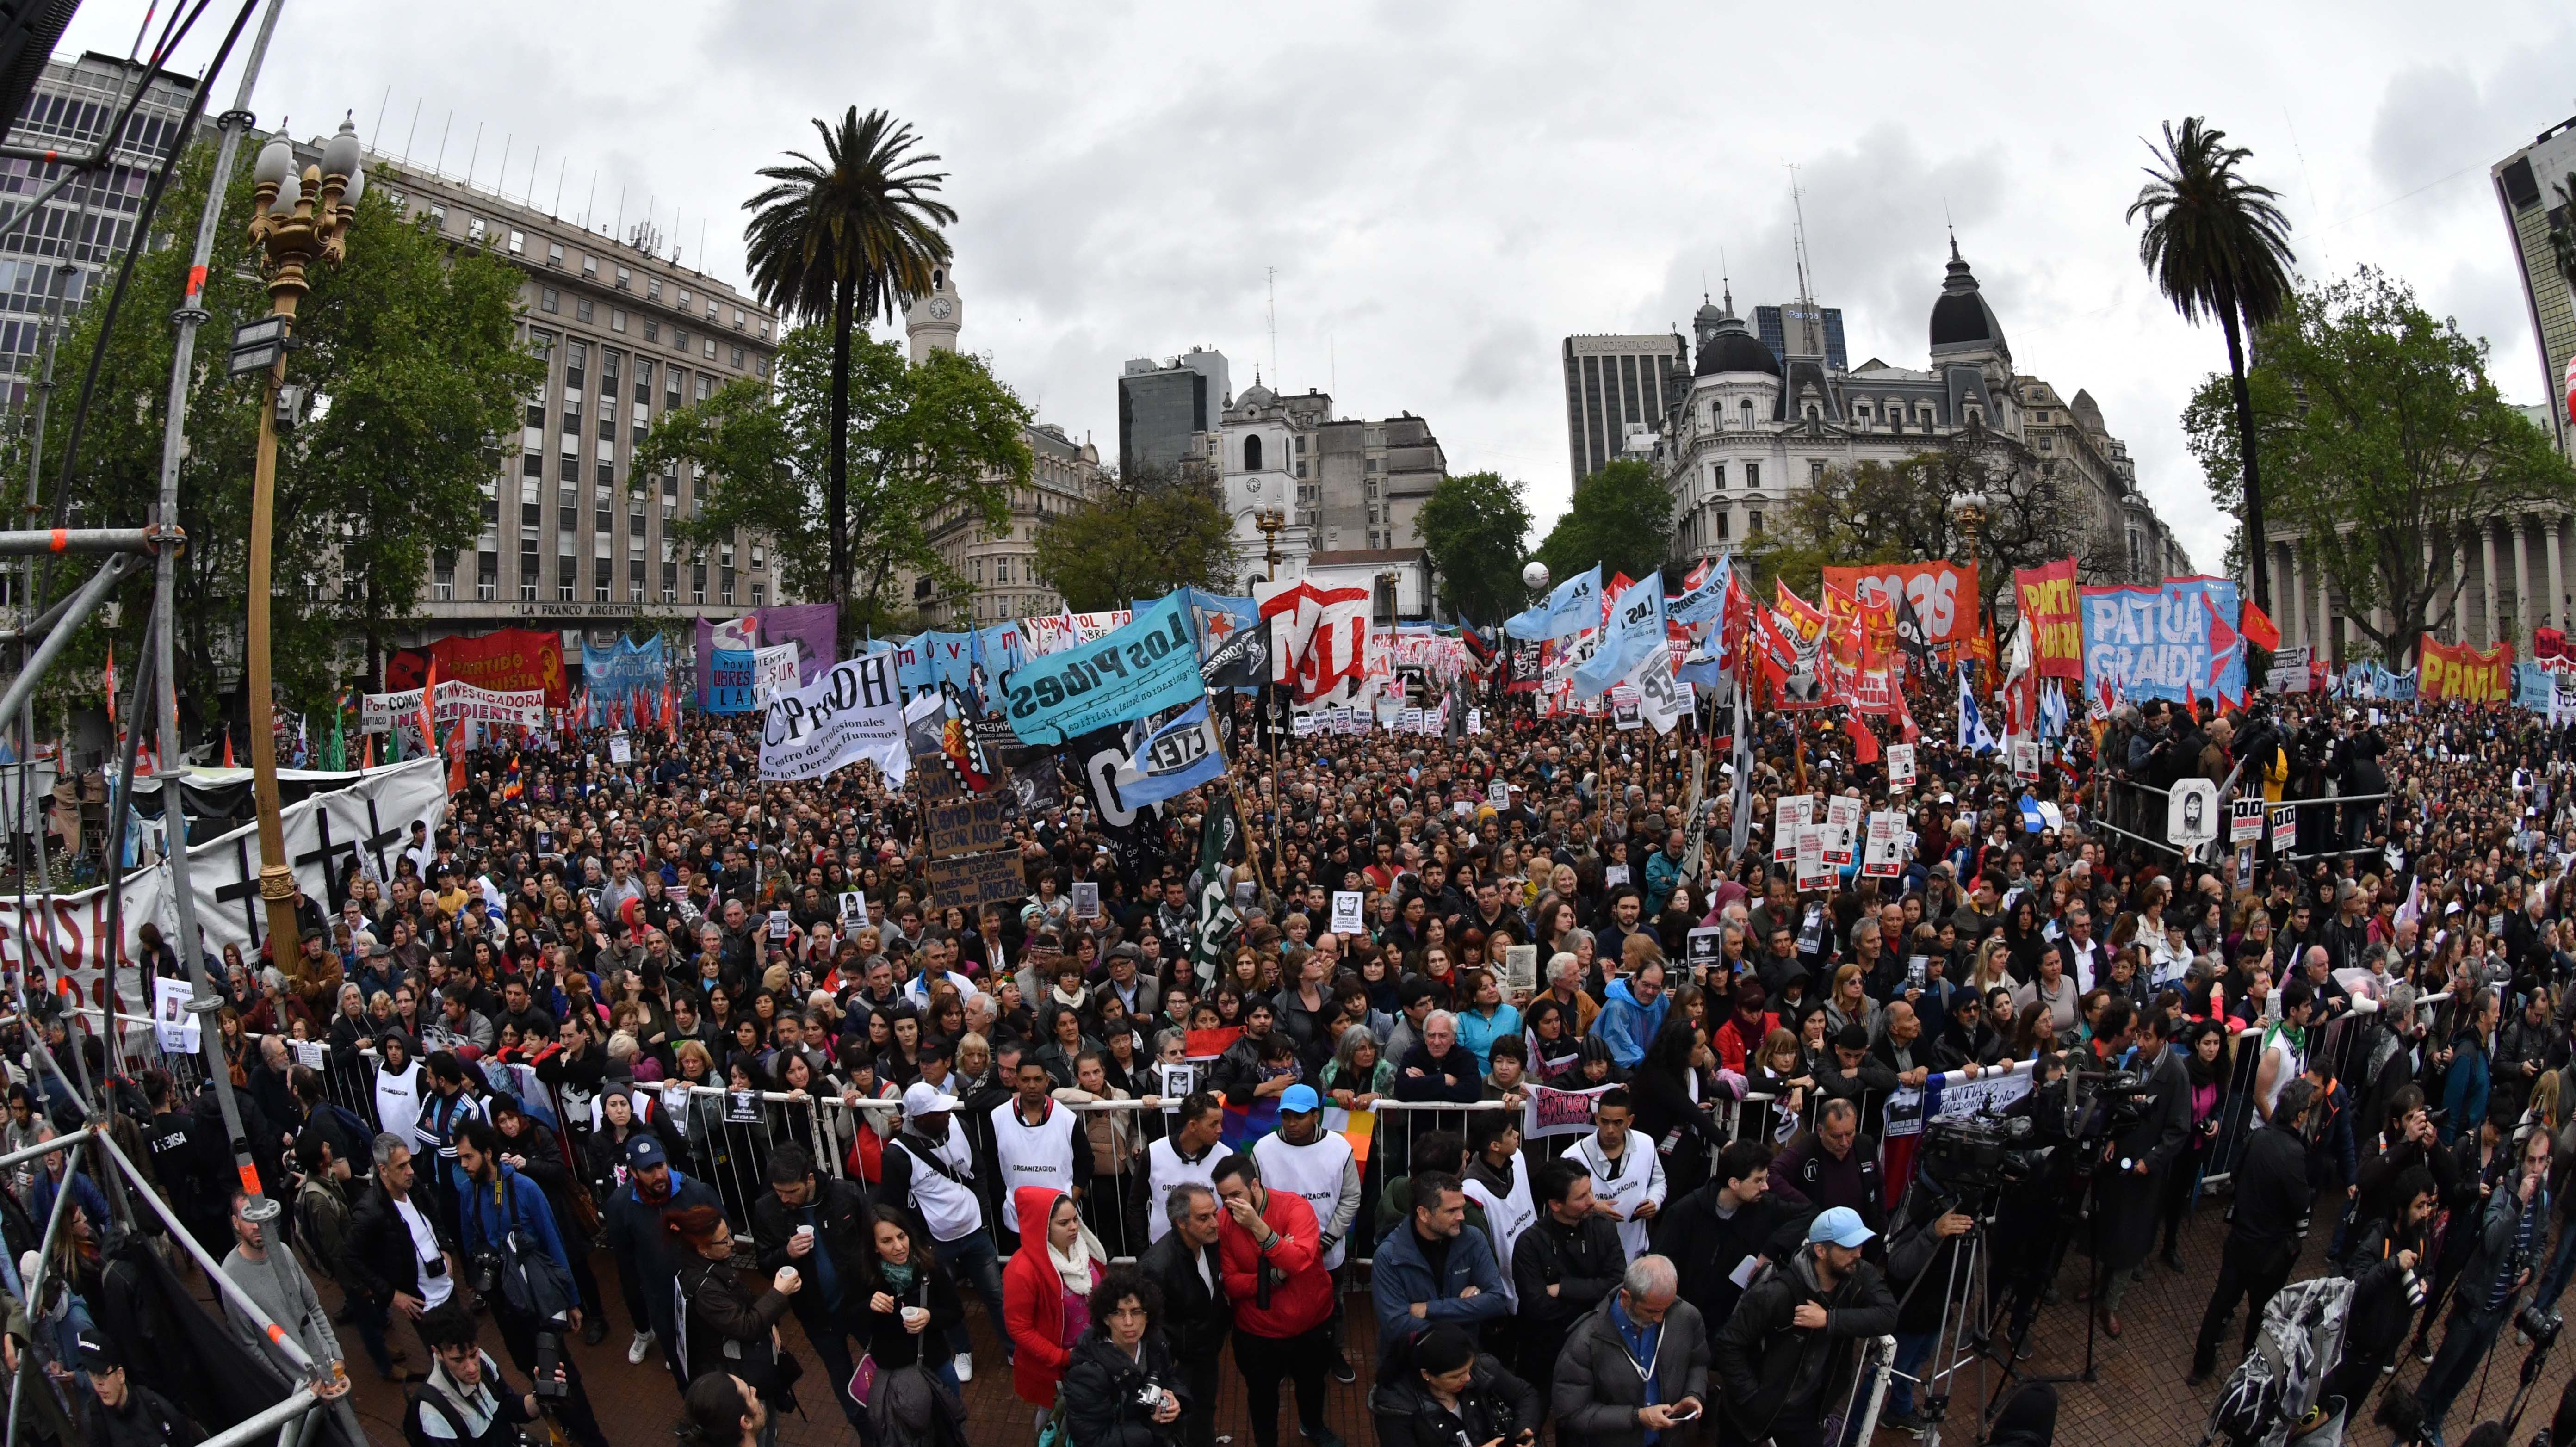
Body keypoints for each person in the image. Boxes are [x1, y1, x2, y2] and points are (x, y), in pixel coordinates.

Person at [452, 1119, 611, 1447]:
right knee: (532, 1372)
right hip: (505, 1307)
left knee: (562, 1376)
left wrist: (571, 1301)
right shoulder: (468, 1192)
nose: (463, 1165)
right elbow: (470, 1246)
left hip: (539, 1303)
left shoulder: (526, 1189)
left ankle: (592, 1438)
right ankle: (567, 1426)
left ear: (488, 1153)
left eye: (468, 1157)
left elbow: (554, 1244)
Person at [1709, 1208, 1895, 1447]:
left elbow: (1888, 1316)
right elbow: (1728, 1343)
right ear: (1821, 1251)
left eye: (1859, 1246)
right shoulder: (1775, 1292)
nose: (1858, 1254)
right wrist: (1751, 1397)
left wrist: (1829, 1320)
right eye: (1848, 1248)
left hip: (1805, 1411)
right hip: (1753, 1408)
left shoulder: (1858, 1275)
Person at [2418, 1124, 2553, 1441]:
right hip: (2475, 1302)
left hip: (2497, 1312)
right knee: (2443, 1368)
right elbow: (2491, 1241)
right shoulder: (2505, 1193)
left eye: (2542, 1161)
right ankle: (2415, 1420)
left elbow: (2540, 1243)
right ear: (2523, 1160)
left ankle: (2435, 1420)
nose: (2536, 1168)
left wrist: (2530, 1272)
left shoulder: (2544, 1201)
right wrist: (2517, 1203)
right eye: (2532, 1160)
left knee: (2462, 1374)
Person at [877, 1078, 1010, 1382]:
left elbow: (979, 1170)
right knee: (947, 1303)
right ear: (921, 1119)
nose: (947, 1114)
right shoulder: (897, 1155)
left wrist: (981, 1214)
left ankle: (1012, 1346)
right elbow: (894, 1209)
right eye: (939, 1113)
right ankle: (962, 1351)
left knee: (995, 1294)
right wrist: (922, 1244)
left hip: (977, 1234)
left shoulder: (960, 1125)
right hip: (937, 1245)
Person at [2189, 1078, 2317, 1385]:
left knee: (2222, 1302)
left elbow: (2236, 1175)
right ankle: (2247, 1371)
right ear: (2299, 1116)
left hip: (2241, 1240)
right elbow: (2301, 1206)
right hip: (2269, 1251)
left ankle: (2201, 1364)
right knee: (2259, 1314)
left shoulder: (2258, 1137)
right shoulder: (2294, 1153)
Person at [1210, 1150, 1339, 1447]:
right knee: (1262, 1396)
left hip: (1311, 1324)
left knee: (1312, 1385)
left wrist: (1260, 1228)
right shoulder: (1224, 1223)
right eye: (1224, 1197)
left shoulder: (1295, 1208)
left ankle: (1313, 1426)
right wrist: (1274, 1276)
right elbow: (1232, 1283)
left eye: (1236, 1195)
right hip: (1258, 1333)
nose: (1231, 1205)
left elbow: (1300, 1261)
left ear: (1254, 1185)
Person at [217, 1187, 364, 1447]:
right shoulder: (231, 1275)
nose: (256, 1226)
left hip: (331, 1375)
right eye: (247, 1217)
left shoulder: (283, 1251)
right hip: (303, 1398)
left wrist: (336, 1354)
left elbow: (313, 1306)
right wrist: (294, 1391)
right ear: (235, 1222)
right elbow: (251, 1347)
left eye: (259, 1217)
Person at [748, 1143, 873, 1433]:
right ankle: (865, 1430)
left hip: (861, 1305)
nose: (784, 1198)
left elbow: (874, 1237)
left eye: (791, 1192)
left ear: (810, 1179)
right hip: (817, 1316)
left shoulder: (846, 1195)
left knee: (883, 1359)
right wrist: (786, 1254)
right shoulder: (767, 1209)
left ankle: (892, 1414)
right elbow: (765, 1264)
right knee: (840, 1374)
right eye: (779, 1191)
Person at [1250, 1083, 1360, 1378]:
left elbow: (1351, 1198)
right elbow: (1253, 1198)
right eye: (1286, 1116)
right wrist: (1276, 1243)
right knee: (1283, 1306)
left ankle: (1333, 1354)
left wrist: (1327, 1239)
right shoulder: (1263, 1149)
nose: (1291, 1123)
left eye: (1298, 1117)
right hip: (1279, 1251)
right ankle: (1286, 1360)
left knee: (1332, 1304)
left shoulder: (1340, 1148)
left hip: (1328, 1250)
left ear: (1316, 1115)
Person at [665, 1204, 800, 1442]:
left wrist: (769, 1323)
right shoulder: (705, 1289)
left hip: (744, 1365)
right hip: (736, 1371)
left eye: (728, 1234)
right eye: (723, 1240)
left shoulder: (708, 1266)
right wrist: (778, 1294)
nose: (731, 1242)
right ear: (703, 1249)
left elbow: (742, 1302)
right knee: (760, 1426)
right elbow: (744, 1326)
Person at [1553, 1254, 1715, 1447]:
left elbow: (1698, 1362)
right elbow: (1571, 1413)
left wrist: (1693, 1394)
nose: (1660, 1319)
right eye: (1652, 1311)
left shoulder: (1686, 1317)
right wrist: (1637, 1417)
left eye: (1666, 1308)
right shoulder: (1586, 1341)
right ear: (1626, 1298)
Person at [602, 1132, 723, 1386]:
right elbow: (626, 1263)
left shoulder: (697, 1192)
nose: (659, 1175)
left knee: (720, 1361)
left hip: (707, 1295)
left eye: (660, 1165)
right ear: (633, 1172)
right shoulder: (619, 1206)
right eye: (649, 1170)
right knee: (683, 1373)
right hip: (663, 1303)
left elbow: (725, 1237)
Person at [1653, 1140, 1796, 1347]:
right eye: (1758, 1180)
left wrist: (1771, 1249)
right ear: (1734, 1183)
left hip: (1732, 1325)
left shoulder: (1765, 1207)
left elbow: (1809, 1216)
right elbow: (1660, 1265)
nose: (1766, 1187)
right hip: (1681, 1321)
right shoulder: (1684, 1213)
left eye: (1766, 1179)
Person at [1511, 1156, 1626, 1415]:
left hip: (1597, 1350)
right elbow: (1538, 1306)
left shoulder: (1603, 1229)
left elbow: (1618, 1284)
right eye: (1581, 1197)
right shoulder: (1530, 1243)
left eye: (1590, 1191)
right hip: (1544, 1352)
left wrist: (1563, 1289)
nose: (1592, 1201)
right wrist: (1593, 1305)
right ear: (1555, 1205)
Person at [347, 1133, 455, 1386]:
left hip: (447, 1288)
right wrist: (393, 1295)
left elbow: (434, 1214)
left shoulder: (413, 1185)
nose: (410, 1171)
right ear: (383, 1170)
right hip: (422, 1304)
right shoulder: (369, 1211)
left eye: (409, 1163)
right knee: (448, 1363)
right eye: (402, 1166)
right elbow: (352, 1257)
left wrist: (446, 1248)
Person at [1370, 1167, 1509, 1364]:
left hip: (1464, 1366)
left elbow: (1496, 1301)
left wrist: (1429, 1309)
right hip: (1409, 1368)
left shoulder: (1474, 1239)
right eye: (1452, 1211)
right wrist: (1467, 1310)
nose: (1462, 1216)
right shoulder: (1388, 1256)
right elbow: (1396, 1324)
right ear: (1424, 1214)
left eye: (1462, 1207)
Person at [1005, 1187, 1107, 1437]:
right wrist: (1063, 1358)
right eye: (1064, 1223)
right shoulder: (1022, 1271)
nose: (1074, 1227)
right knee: (1054, 1418)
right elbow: (1020, 1329)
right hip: (1056, 1366)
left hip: (1093, 1352)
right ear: (1043, 1227)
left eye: (1075, 1219)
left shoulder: (1084, 1249)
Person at [1058, 1263, 1190, 1447]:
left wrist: (1175, 1400)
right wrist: (1150, 1426)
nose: (1129, 1322)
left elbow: (1169, 1378)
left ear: (1148, 1316)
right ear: (1105, 1319)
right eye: (1118, 1313)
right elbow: (1092, 1441)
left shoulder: (1154, 1342)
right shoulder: (1087, 1375)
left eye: (1136, 1312)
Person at [402, 1300, 568, 1447]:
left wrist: (540, 1396)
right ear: (438, 1353)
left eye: (473, 1355)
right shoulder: (434, 1413)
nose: (473, 1368)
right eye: (458, 1360)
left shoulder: (482, 1359)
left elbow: (509, 1406)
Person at [1141, 1184, 1230, 1447]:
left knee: (1205, 1410)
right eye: (1204, 1218)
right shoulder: (1157, 1267)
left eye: (1215, 1214)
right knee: (1178, 1421)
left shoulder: (1209, 1243)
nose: (1215, 1223)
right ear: (1181, 1222)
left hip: (1206, 1348)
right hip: (1180, 1361)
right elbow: (1147, 1326)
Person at [1367, 1323, 1541, 1447]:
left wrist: (1522, 1431)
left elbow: (1526, 1395)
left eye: (1469, 1368)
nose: (1467, 1378)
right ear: (1426, 1375)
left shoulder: (1482, 1367)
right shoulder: (1396, 1409)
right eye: (1456, 1376)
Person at [992, 1055, 1092, 1249]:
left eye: (1038, 1079)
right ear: (1017, 1081)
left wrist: (1071, 1198)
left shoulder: (1066, 1118)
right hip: (1017, 1217)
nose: (1032, 1085)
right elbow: (990, 1164)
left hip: (1060, 1218)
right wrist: (1004, 1199)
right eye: (1025, 1080)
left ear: (1047, 1081)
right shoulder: (998, 1117)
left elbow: (1086, 1161)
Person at [1568, 1088, 1666, 1261]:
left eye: (1618, 1123)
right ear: (1597, 1118)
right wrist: (1593, 1208)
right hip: (1590, 1255)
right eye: (1604, 1122)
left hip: (1634, 1250)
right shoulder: (1574, 1156)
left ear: (1630, 1121)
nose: (1610, 1130)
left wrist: (1654, 1201)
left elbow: (1658, 1181)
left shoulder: (1646, 1144)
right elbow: (1562, 1204)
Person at [73, 1329, 203, 1447]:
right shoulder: (93, 1422)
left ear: (120, 1375)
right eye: (92, 1375)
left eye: (102, 1375)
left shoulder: (156, 1408)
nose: (98, 1384)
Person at [1146, 1093, 1226, 1244]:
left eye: (1220, 1123)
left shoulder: (1226, 1156)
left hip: (1212, 1252)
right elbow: (1136, 1206)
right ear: (1193, 1126)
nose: (1220, 1130)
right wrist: (1142, 1254)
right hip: (1163, 1252)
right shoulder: (1154, 1152)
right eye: (1213, 1124)